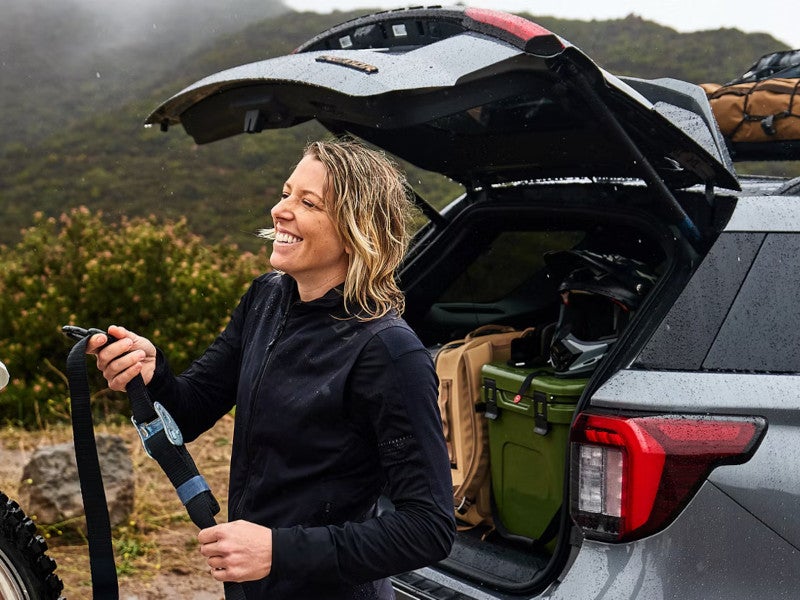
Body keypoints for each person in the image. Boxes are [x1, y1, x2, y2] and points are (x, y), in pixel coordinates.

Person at [88, 139, 456, 599]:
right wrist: (152, 373)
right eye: (286, 193)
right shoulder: (267, 299)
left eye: (308, 203)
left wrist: (278, 551)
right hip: (253, 587)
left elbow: (429, 527)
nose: (280, 210)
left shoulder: (388, 351)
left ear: (355, 230)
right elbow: (190, 410)